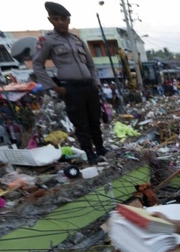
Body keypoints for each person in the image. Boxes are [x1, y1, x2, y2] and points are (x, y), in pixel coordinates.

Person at [32, 2, 107, 165]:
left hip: (88, 86)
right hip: (70, 88)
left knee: (95, 119)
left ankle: (101, 148)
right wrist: (55, 87)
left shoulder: (77, 40)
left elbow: (90, 64)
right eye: (56, 19)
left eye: (64, 19)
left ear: (68, 20)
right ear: (50, 20)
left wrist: (96, 83)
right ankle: (90, 153)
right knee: (81, 124)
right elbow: (37, 65)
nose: (60, 22)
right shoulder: (47, 40)